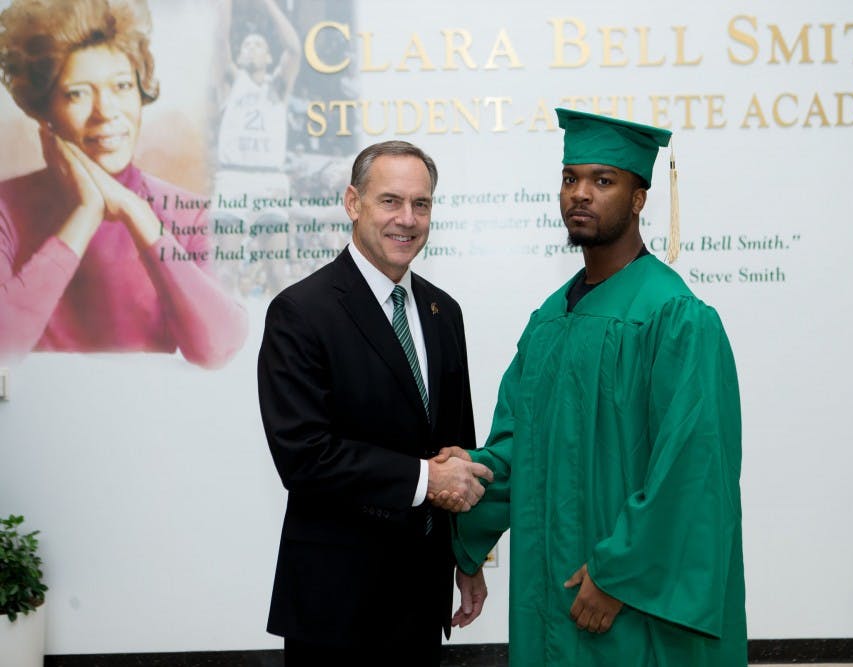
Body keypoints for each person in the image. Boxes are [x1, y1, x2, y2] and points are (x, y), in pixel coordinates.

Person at [441, 108, 747, 665]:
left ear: (638, 199)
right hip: (548, 590)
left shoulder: (674, 317)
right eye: (570, 178)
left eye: (602, 181)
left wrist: (618, 574)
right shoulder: (549, 320)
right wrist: (467, 497)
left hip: (624, 603)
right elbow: (519, 445)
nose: (580, 194)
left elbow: (693, 467)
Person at [257, 140, 493, 666]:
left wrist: (467, 556)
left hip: (422, 598)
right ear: (352, 203)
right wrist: (424, 479)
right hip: (336, 605)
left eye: (421, 204)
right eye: (390, 201)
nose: (406, 219)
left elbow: (458, 450)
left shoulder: (442, 312)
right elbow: (303, 455)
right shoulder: (301, 312)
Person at [0, 0, 247, 368]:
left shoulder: (189, 212)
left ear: (140, 92)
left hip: (151, 417)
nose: (106, 112)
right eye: (78, 93)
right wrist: (86, 214)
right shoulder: (7, 206)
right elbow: (3, 344)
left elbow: (218, 349)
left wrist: (136, 212)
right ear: (43, 109)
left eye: (121, 86)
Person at [213, 0, 300, 298]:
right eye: (246, 44)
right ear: (239, 55)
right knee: (227, 272)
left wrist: (268, 5)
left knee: (276, 273)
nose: (250, 47)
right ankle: (225, 344)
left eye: (257, 44)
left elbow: (294, 49)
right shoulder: (230, 82)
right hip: (233, 180)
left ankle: (290, 341)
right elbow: (220, 38)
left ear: (268, 56)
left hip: (269, 180)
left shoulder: (278, 87)